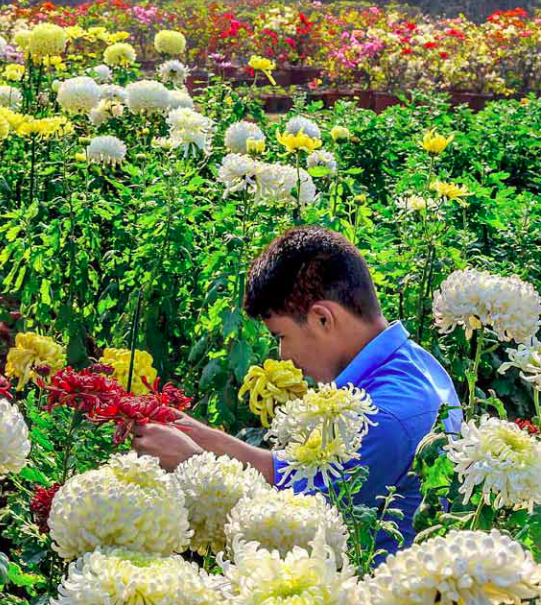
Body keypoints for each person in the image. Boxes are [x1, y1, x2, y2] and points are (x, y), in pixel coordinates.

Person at [132, 225, 462, 549]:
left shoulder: (387, 415)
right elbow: (292, 475)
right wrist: (197, 433)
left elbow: (291, 523)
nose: (284, 356)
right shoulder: (412, 365)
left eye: (281, 337)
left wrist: (194, 463)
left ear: (322, 318)